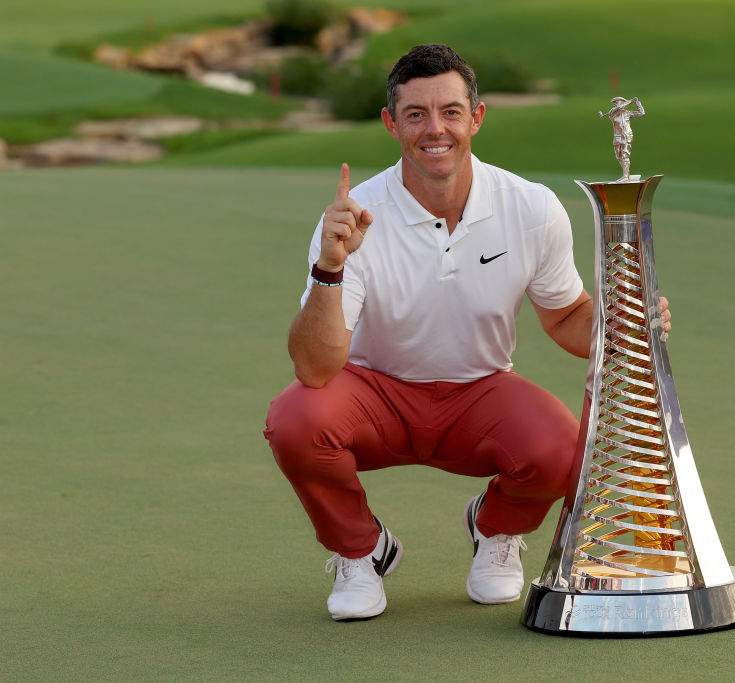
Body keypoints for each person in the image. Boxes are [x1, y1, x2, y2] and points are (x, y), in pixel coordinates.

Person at [263, 44, 670, 622]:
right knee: (295, 420)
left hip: (479, 391)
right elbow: (315, 370)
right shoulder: (355, 216)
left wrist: (623, 323)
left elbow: (564, 316)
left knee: (561, 447)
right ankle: (361, 552)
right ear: (391, 124)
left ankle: (495, 527)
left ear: (475, 118)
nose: (436, 129)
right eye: (416, 114)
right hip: (375, 392)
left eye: (451, 112)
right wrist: (329, 266)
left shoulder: (531, 207)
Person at [599, 96, 645, 181]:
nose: (614, 104)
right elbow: (619, 108)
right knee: (618, 156)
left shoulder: (627, 113)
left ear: (622, 102)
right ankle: (627, 174)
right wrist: (631, 101)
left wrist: (637, 103)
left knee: (625, 155)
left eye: (616, 102)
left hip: (626, 135)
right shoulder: (612, 112)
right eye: (614, 103)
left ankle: (625, 176)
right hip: (617, 136)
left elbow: (642, 112)